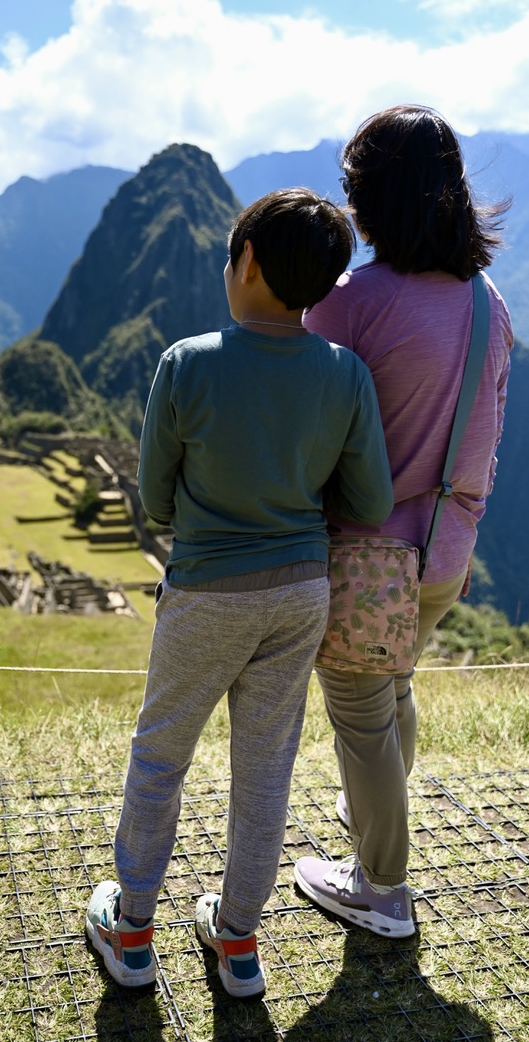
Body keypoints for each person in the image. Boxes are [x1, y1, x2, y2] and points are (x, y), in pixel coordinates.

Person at [85, 188, 394, 998]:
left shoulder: (187, 363)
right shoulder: (346, 374)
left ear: (245, 259)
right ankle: (238, 943)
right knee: (266, 768)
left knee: (160, 757)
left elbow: (154, 500)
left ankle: (133, 930)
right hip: (300, 591)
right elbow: (367, 502)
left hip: (206, 590)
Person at [295, 105, 513, 938]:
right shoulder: (488, 302)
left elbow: (304, 428)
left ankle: (381, 889)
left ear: (370, 198)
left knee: (359, 715)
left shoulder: (350, 301)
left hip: (364, 556)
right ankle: (372, 859)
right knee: (392, 692)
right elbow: (487, 425)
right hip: (446, 551)